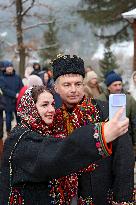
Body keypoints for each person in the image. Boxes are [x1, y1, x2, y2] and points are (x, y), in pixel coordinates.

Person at [0, 85, 128, 205]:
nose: (51, 110)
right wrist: (101, 135)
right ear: (30, 108)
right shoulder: (20, 139)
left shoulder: (43, 132)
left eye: (52, 104)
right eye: (44, 105)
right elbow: (58, 154)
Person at [52, 54, 135, 205]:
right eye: (67, 85)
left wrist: (122, 198)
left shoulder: (104, 110)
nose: (73, 90)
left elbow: (123, 157)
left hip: (102, 193)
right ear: (56, 88)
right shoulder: (52, 117)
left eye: (78, 84)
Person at [97, 70, 136, 156]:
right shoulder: (99, 100)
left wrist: (134, 144)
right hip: (106, 142)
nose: (118, 87)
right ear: (108, 87)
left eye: (120, 84)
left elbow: (134, 122)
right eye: (115, 85)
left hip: (125, 139)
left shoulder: (129, 100)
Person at [0, 61, 23, 137]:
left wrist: (19, 94)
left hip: (17, 101)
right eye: (8, 67)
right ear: (5, 68)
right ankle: (8, 133)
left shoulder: (17, 77)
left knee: (19, 118)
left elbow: (21, 87)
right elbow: (4, 89)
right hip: (7, 101)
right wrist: (14, 94)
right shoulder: (2, 78)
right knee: (8, 119)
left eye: (11, 67)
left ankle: (20, 133)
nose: (10, 68)